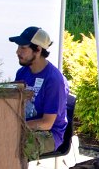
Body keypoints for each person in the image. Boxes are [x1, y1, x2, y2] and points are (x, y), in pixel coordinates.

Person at [10, 26, 69, 161]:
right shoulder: (22, 72)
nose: (17, 52)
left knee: (13, 145)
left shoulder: (54, 80)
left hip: (49, 135)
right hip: (25, 127)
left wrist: (15, 126)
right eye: (19, 47)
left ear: (38, 49)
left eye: (23, 48)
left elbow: (47, 123)